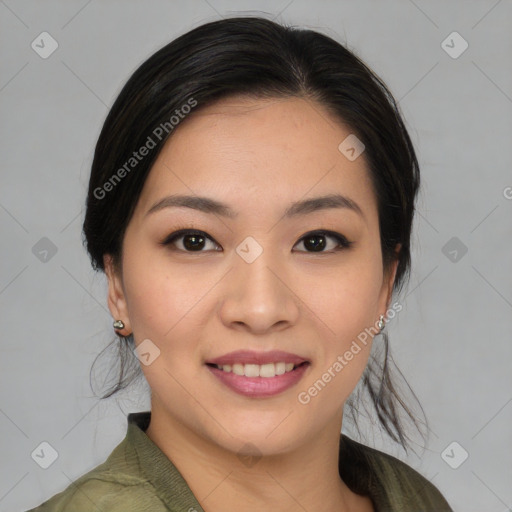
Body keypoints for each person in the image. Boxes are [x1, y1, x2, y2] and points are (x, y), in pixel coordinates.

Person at [27, 16, 453, 512]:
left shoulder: (417, 502)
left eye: (317, 242)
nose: (259, 308)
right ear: (117, 283)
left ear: (386, 281)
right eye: (194, 241)